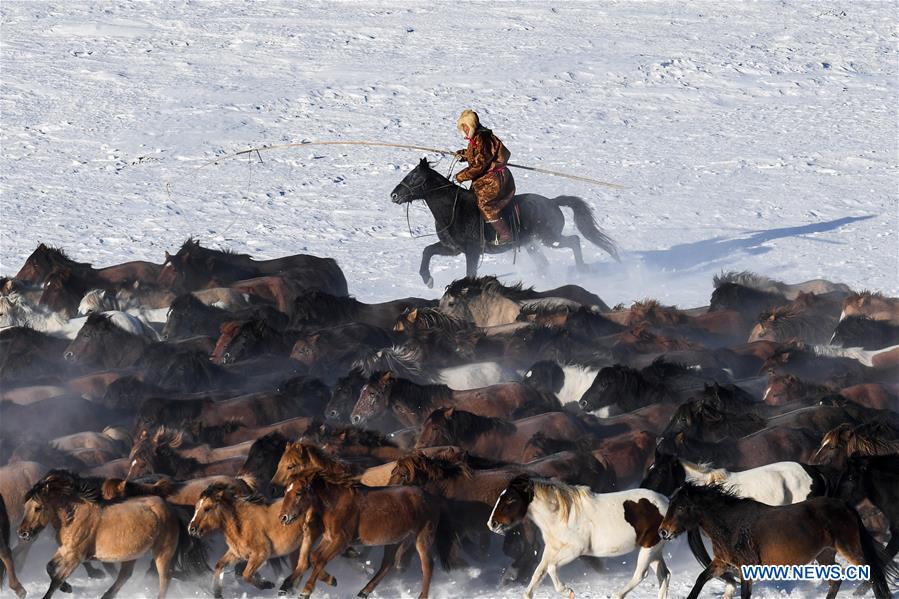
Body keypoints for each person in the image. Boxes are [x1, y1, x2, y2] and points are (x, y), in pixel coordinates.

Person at [454, 110, 516, 244]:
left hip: (494, 178)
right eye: (462, 127)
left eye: (466, 126)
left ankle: (505, 234)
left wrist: (462, 176)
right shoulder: (476, 137)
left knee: (484, 204)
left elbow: (481, 164)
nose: (464, 129)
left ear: (472, 124)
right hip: (484, 178)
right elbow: (478, 155)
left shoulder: (483, 137)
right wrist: (463, 155)